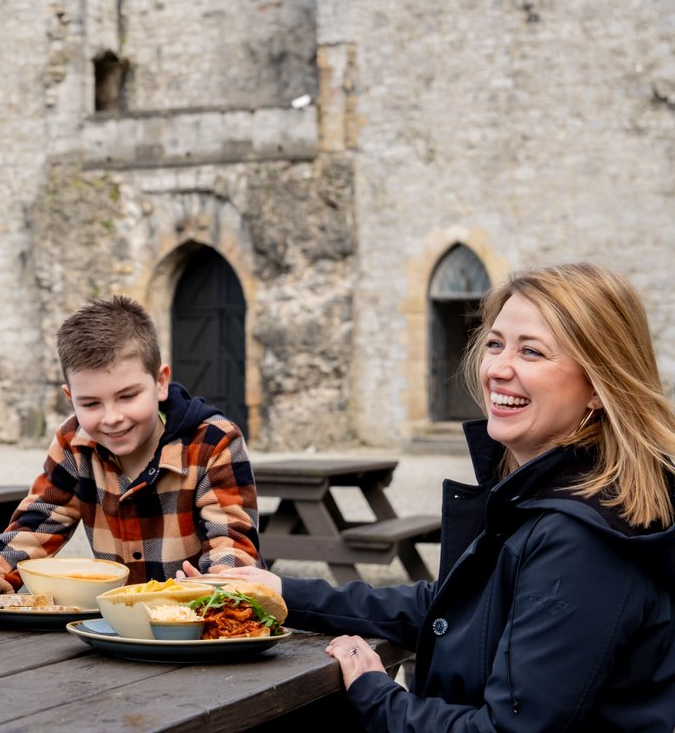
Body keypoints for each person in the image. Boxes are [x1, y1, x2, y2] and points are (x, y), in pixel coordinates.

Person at [184, 262, 675, 731]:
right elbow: (453, 610)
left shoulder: (582, 537)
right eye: (496, 344)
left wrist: (377, 692)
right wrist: (281, 591)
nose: (497, 369)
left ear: (598, 385)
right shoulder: (546, 495)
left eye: (532, 352)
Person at [0, 294, 262, 606]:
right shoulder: (73, 443)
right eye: (90, 403)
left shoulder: (214, 441)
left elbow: (231, 548)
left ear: (160, 382)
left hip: (200, 628)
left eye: (128, 396)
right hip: (114, 628)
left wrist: (214, 588)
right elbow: (33, 529)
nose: (112, 418)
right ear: (69, 397)